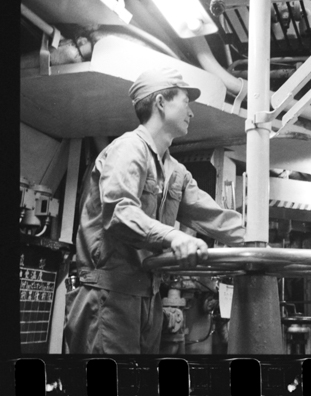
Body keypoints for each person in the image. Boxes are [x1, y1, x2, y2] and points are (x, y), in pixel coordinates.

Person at [64, 66, 246, 354]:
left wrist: (256, 242)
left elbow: (214, 218)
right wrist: (174, 237)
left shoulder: (175, 171)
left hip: (149, 299)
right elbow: (121, 214)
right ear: (161, 102)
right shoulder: (128, 149)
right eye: (186, 102)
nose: (191, 112)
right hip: (109, 295)